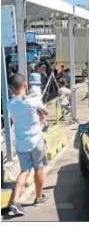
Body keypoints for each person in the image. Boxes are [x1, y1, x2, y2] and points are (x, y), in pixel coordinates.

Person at [7, 74, 49, 216]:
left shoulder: (10, 104)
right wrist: (40, 113)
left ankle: (15, 201)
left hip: (20, 142)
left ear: (12, 88)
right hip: (35, 140)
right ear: (25, 85)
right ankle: (38, 197)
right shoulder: (32, 101)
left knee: (24, 170)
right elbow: (45, 111)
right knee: (39, 169)